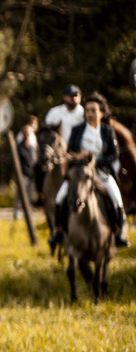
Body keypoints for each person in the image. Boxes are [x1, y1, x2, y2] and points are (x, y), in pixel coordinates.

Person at [48, 93, 129, 248]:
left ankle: (120, 233)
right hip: (79, 172)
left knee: (117, 199)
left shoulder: (107, 131)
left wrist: (97, 162)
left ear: (101, 113)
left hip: (100, 172)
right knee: (60, 197)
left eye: (93, 110)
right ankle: (58, 231)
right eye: (87, 111)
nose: (89, 114)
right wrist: (80, 160)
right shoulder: (78, 130)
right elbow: (70, 150)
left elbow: (114, 154)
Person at [14, 115, 39, 220]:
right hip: (23, 173)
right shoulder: (20, 142)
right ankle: (17, 215)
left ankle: (27, 215)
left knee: (29, 196)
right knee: (20, 196)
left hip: (32, 173)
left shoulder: (34, 140)